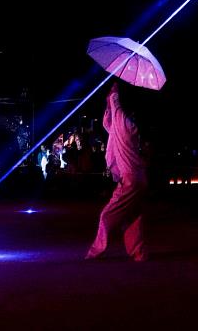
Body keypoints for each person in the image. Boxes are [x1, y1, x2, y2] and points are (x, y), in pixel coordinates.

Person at [86, 81, 147, 262]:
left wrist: (113, 92)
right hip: (138, 178)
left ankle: (95, 252)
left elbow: (116, 114)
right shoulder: (125, 127)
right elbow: (109, 124)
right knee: (132, 217)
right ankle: (139, 253)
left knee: (107, 215)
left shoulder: (125, 125)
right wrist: (109, 102)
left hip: (130, 180)